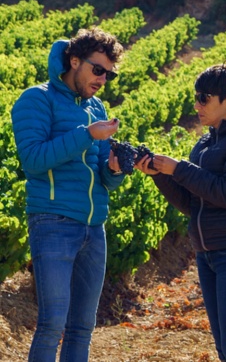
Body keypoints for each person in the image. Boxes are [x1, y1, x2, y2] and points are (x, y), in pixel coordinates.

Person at [136, 63, 226, 362]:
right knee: (225, 347)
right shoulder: (206, 141)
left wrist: (179, 168)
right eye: (196, 97)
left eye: (204, 98)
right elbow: (191, 203)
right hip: (209, 251)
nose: (196, 104)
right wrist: (160, 174)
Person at [11, 28, 126, 362]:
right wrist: (86, 134)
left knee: (82, 327)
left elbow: (103, 175)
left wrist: (115, 170)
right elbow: (33, 160)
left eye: (109, 74)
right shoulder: (36, 98)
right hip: (53, 221)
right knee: (52, 323)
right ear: (74, 61)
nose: (103, 79)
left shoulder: (97, 108)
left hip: (94, 227)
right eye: (98, 69)